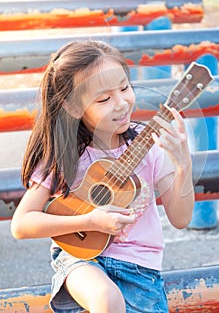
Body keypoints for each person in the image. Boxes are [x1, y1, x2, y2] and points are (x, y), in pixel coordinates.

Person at [11, 40, 195, 313]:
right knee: (107, 300)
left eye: (124, 88)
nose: (121, 103)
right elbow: (21, 224)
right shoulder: (65, 154)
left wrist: (184, 164)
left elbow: (181, 218)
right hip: (80, 260)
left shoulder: (150, 147)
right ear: (73, 107)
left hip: (141, 271)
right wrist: (91, 220)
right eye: (104, 99)